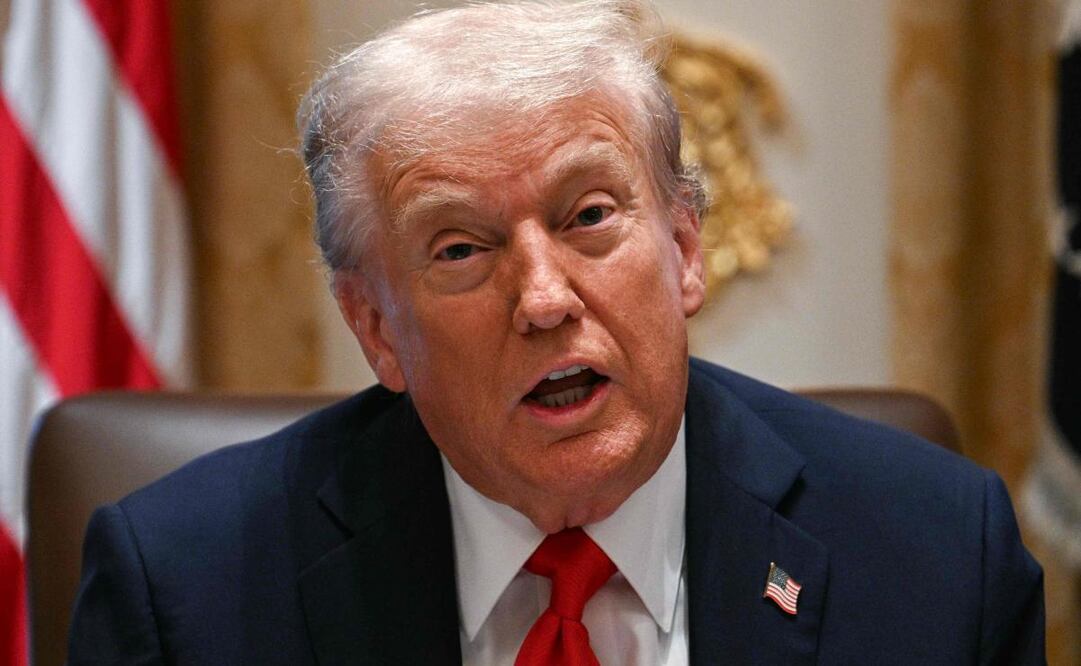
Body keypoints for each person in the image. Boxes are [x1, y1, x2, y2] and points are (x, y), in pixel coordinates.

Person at [67, 1, 1045, 663]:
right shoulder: (185, 589)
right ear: (374, 326)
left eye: (588, 217)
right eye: (460, 248)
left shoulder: (934, 553)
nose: (543, 300)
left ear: (684, 248)